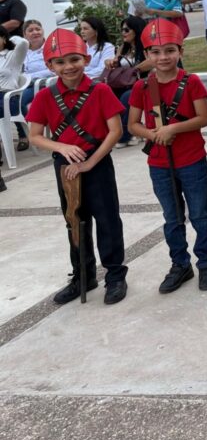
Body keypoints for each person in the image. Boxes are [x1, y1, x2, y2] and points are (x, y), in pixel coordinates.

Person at [27, 28, 128, 305]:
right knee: (74, 220)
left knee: (107, 219)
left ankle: (115, 275)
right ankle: (83, 276)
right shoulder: (45, 96)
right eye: (60, 62)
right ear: (50, 65)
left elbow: (115, 131)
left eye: (74, 59)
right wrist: (61, 147)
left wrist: (90, 162)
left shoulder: (100, 90)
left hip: (97, 161)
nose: (68, 67)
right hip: (66, 165)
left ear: (86, 59)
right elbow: (34, 135)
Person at [127, 19, 207, 293]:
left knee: (200, 213)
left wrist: (173, 128)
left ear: (180, 51)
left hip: (191, 159)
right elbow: (132, 124)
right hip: (158, 163)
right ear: (147, 55)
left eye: (169, 50)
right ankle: (180, 264)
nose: (163, 57)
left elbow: (203, 118)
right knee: (172, 217)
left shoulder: (191, 82)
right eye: (155, 52)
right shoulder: (143, 87)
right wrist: (152, 134)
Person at [107, 15, 154, 148]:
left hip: (144, 82)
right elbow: (115, 62)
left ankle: (124, 135)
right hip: (124, 83)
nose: (123, 33)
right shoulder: (123, 48)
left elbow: (152, 62)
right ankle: (119, 131)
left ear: (136, 30)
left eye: (127, 30)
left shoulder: (146, 47)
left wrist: (135, 69)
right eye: (122, 30)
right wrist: (110, 62)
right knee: (107, 94)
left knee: (127, 96)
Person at [16, 19, 50, 149]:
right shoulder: (22, 51)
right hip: (26, 84)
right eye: (30, 30)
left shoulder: (50, 47)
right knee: (11, 102)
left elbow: (53, 68)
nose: (35, 32)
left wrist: (30, 77)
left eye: (38, 29)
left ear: (42, 31)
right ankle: (23, 133)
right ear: (25, 35)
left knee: (17, 102)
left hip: (44, 84)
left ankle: (28, 134)